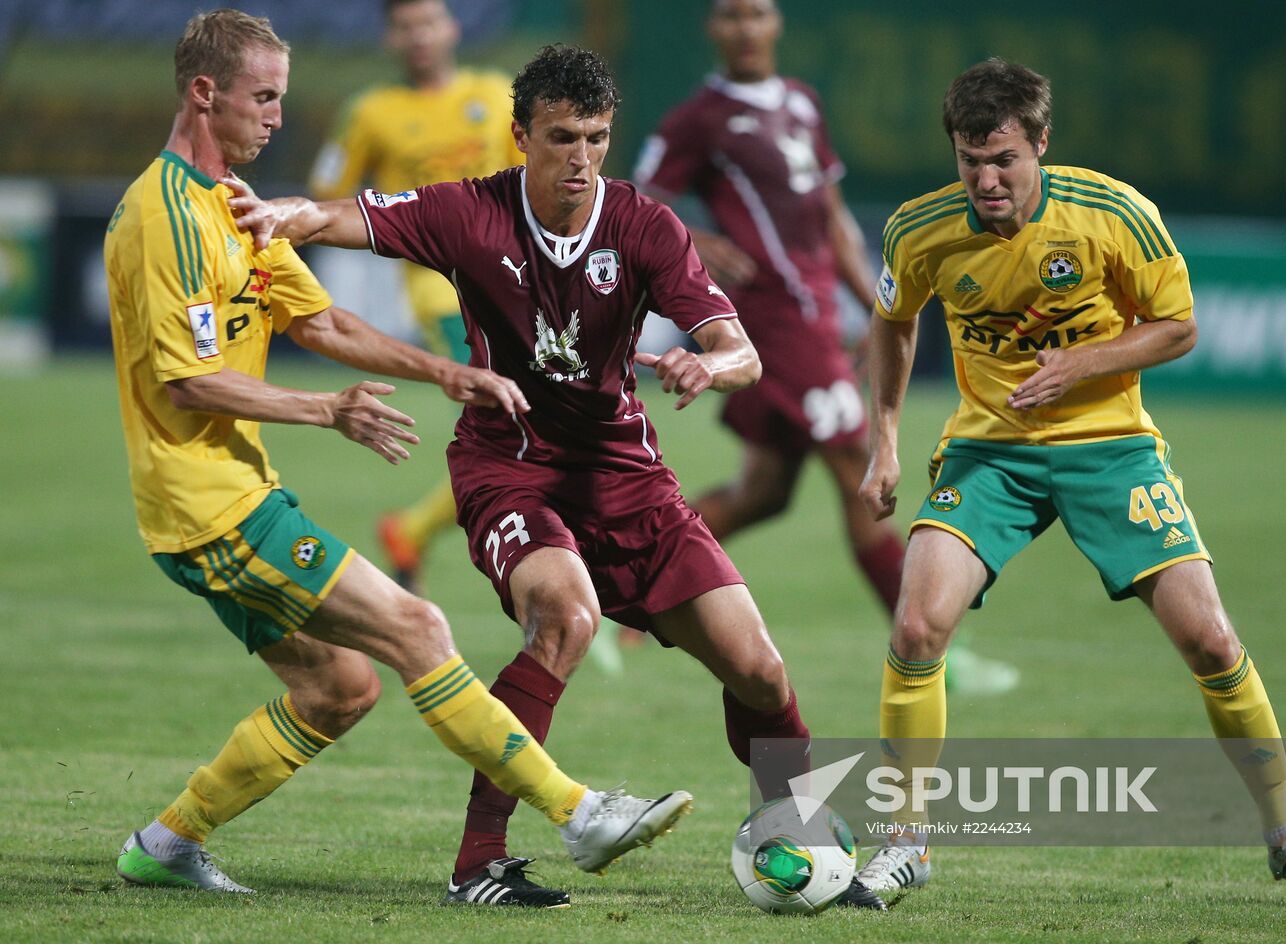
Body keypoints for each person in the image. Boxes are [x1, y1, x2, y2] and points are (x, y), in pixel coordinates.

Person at [230, 41, 885, 911]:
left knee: (761, 674)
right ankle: (478, 865)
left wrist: (706, 365)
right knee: (565, 619)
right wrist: (278, 214)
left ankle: (794, 836)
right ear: (521, 136)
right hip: (512, 468)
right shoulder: (468, 213)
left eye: (597, 138)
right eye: (563, 137)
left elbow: (743, 353)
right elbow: (335, 216)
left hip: (627, 477)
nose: (581, 159)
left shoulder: (646, 227)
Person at [104, 10, 690, 899]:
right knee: (417, 628)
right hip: (207, 507)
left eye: (280, 99)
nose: (275, 117)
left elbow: (324, 320)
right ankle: (577, 812)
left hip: (230, 493)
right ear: (203, 92)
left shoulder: (231, 207)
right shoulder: (165, 216)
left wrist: (445, 373)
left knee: (338, 690)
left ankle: (164, 843)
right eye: (263, 99)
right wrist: (325, 410)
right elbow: (189, 382)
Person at [852, 57, 1286, 909]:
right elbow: (893, 324)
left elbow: (1179, 327)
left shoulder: (1115, 214)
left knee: (1211, 642)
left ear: (1041, 144)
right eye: (970, 160)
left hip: (1111, 446)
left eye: (1004, 158)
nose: (986, 179)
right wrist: (886, 443)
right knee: (916, 624)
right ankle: (906, 843)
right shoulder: (920, 229)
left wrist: (1081, 364)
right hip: (992, 451)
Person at [632, 0, 1017, 694]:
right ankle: (934, 653)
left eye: (756, 13)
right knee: (859, 475)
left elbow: (832, 215)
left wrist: (878, 300)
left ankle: (623, 593)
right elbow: (632, 201)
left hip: (812, 314)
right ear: (711, 29)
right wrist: (694, 242)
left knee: (765, 492)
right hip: (775, 320)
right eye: (729, 15)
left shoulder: (802, 104)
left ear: (777, 21)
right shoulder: (700, 117)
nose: (745, 27)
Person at [309, 0, 522, 593]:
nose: (419, 35)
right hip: (442, 288)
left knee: (529, 423)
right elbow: (326, 195)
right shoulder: (371, 112)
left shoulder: (496, 92)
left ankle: (412, 529)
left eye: (429, 22)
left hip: (515, 276)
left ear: (452, 27)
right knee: (519, 418)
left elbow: (529, 181)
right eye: (406, 26)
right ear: (390, 38)